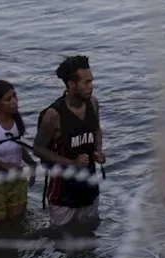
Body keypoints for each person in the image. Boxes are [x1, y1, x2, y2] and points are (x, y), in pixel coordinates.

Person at [33, 56, 104, 228]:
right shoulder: (53, 115)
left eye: (91, 81)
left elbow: (96, 129)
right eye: (86, 82)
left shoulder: (92, 104)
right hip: (62, 195)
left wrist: (98, 151)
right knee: (64, 245)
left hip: (89, 188)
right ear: (72, 84)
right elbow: (38, 149)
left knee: (90, 237)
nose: (91, 86)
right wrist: (72, 162)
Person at [0, 80, 37, 225]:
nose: (14, 102)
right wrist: (4, 165)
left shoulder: (17, 121)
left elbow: (17, 146)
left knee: (18, 222)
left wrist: (31, 164)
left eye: (15, 97)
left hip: (17, 180)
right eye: (8, 99)